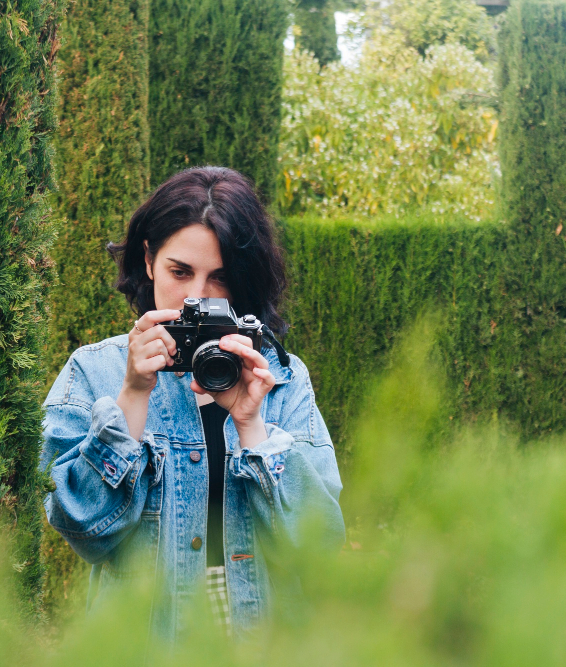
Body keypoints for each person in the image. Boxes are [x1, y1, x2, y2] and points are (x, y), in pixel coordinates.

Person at [39, 166, 345, 640]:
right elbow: (83, 529)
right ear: (148, 260)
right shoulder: (95, 371)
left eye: (219, 278)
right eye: (179, 271)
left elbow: (319, 543)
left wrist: (251, 426)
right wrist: (133, 395)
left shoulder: (279, 378)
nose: (196, 296)